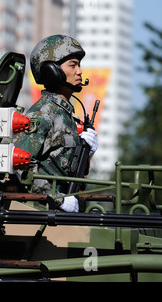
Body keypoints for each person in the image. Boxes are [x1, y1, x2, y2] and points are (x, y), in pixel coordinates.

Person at [14, 34, 98, 212]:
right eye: (73, 65)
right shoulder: (42, 114)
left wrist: (86, 153)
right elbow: (20, 165)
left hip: (56, 212)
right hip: (41, 212)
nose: (79, 71)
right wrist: (57, 199)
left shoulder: (64, 114)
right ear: (52, 71)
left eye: (79, 65)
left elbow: (64, 168)